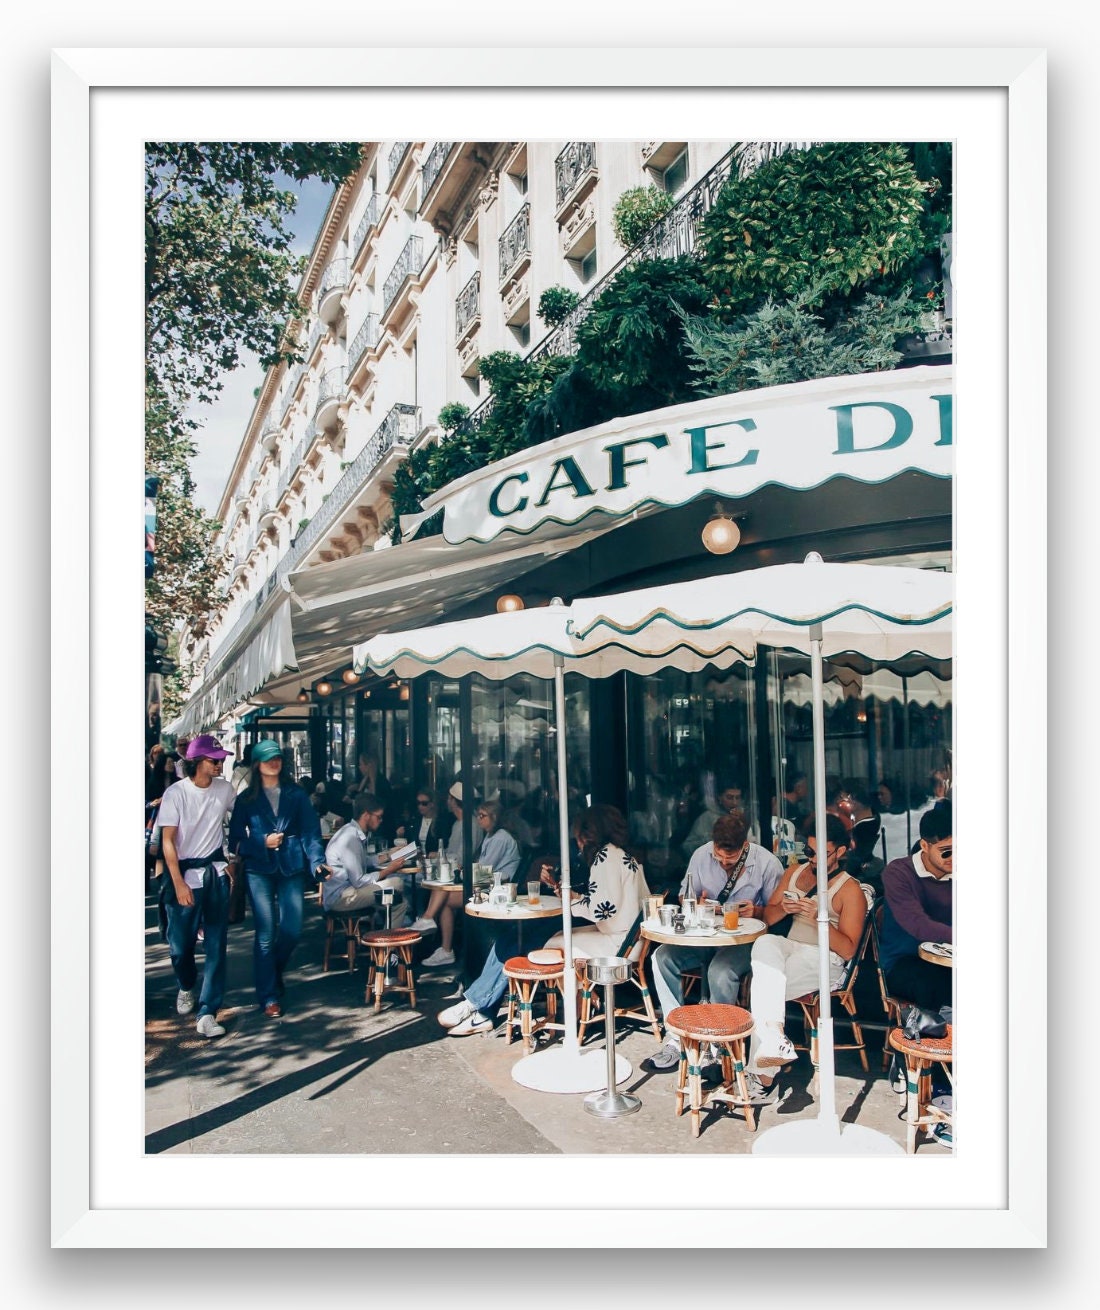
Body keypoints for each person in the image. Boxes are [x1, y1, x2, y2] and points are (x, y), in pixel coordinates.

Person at [438, 804, 648, 1038]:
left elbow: (602, 910)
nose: (577, 843)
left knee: (534, 944)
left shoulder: (604, 857)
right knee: (534, 937)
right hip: (628, 939)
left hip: (616, 945)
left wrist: (570, 902)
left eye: (578, 836)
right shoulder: (621, 854)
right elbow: (608, 901)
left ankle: (481, 1007)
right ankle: (482, 1008)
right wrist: (568, 896)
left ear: (589, 834)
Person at [740, 813, 867, 1104]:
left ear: (841, 852)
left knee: (764, 986)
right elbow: (770, 918)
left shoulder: (850, 890)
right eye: (808, 851)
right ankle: (774, 1043)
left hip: (827, 959)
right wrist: (784, 908)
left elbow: (848, 950)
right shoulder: (794, 873)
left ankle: (764, 1075)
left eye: (820, 854)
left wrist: (821, 918)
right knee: (766, 942)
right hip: (791, 947)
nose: (812, 859)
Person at [648, 811, 784, 1071]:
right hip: (705, 934)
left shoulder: (767, 863)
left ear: (745, 846)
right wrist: (694, 904)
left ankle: (718, 1043)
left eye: (729, 859)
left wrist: (755, 912)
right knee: (661, 957)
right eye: (718, 857)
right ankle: (675, 1036)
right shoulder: (701, 855)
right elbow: (684, 896)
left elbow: (776, 913)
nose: (722, 863)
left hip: (746, 941)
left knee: (720, 971)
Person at [228, 739, 326, 1018]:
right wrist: (261, 842)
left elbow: (310, 832)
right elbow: (235, 841)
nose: (275, 762)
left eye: (278, 758)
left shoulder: (296, 795)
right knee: (265, 935)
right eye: (268, 758)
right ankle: (268, 995)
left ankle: (271, 972)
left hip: (292, 866)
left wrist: (317, 862)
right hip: (258, 870)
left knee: (293, 930)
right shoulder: (245, 800)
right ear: (257, 764)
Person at [157, 734, 238, 1038]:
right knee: (180, 947)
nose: (220, 764)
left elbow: (241, 815)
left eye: (221, 760)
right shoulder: (176, 794)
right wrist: (177, 882)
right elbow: (167, 840)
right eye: (214, 760)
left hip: (214, 873)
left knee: (217, 945)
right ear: (197, 762)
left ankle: (208, 1011)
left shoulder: (225, 789)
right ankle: (186, 985)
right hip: (184, 874)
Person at [879, 802, 952, 1014]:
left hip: (950, 960)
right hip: (904, 961)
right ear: (925, 846)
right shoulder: (899, 873)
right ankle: (930, 1041)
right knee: (936, 984)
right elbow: (917, 924)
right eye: (946, 852)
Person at [321, 794, 411, 925]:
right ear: (366, 815)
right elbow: (359, 881)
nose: (381, 820)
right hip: (342, 897)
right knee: (397, 882)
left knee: (400, 903)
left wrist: (389, 855)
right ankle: (384, 941)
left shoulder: (351, 831)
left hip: (346, 891)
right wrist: (389, 870)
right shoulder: (350, 838)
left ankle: (386, 943)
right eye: (378, 816)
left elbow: (363, 860)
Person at [418, 783, 479, 970]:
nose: (447, 801)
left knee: (442, 896)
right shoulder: (458, 824)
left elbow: (461, 858)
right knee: (442, 895)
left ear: (454, 802)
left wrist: (437, 856)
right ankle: (445, 948)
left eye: (450, 799)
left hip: (471, 880)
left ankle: (431, 923)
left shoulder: (471, 825)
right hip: (457, 877)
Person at [681, 782, 751, 859]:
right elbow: (687, 847)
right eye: (729, 797)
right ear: (720, 797)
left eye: (737, 798)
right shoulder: (707, 818)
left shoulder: (745, 817)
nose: (734, 803)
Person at [472, 800, 521, 882]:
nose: (478, 818)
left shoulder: (500, 837)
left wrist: (465, 873)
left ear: (494, 817)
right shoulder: (490, 834)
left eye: (482, 815)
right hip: (491, 880)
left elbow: (484, 869)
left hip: (504, 884)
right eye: (478, 815)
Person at [396, 786, 453, 855]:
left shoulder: (441, 822)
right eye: (418, 803)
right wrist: (400, 835)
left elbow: (446, 845)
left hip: (434, 860)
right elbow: (409, 842)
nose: (420, 806)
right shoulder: (415, 820)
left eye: (424, 803)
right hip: (417, 860)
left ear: (432, 804)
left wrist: (437, 854)